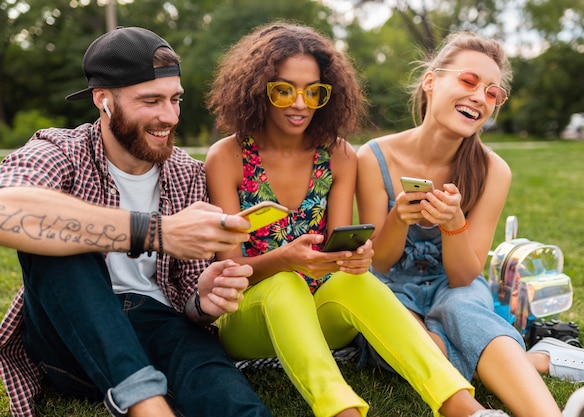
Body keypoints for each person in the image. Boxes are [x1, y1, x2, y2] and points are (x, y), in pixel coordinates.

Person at [204, 21, 517, 417]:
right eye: (283, 90)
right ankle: (341, 411)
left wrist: (357, 259)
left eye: (313, 92)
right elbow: (229, 271)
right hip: (249, 317)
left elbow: (342, 249)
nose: (299, 103)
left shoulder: (338, 155)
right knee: (285, 284)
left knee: (359, 281)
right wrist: (286, 259)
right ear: (257, 89)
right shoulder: (226, 157)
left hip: (320, 312)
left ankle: (466, 409)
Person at [0, 26, 272, 417]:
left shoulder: (189, 174)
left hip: (157, 324)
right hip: (67, 340)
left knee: (229, 397)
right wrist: (156, 232)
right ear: (103, 100)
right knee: (59, 231)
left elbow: (185, 303)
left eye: (175, 99)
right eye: (151, 100)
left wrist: (203, 301)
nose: (169, 116)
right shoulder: (60, 150)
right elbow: (7, 208)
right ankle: (145, 404)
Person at [355, 31, 584, 417]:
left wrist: (454, 223)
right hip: (390, 290)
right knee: (410, 345)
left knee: (465, 315)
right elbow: (377, 264)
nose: (480, 97)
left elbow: (464, 276)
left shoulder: (493, 170)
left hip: (454, 286)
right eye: (468, 81)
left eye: (493, 93)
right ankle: (543, 360)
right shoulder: (372, 157)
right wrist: (399, 217)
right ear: (431, 81)